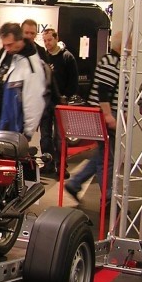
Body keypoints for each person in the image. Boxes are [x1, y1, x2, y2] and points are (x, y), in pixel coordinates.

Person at [65, 31, 127, 204]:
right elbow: (103, 90)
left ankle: (75, 183)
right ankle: (108, 197)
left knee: (103, 155)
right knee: (108, 157)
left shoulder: (114, 62)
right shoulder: (111, 62)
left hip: (107, 114)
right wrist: (108, 115)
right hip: (105, 115)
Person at [0, 22, 46, 138]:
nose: (7, 48)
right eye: (4, 45)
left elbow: (34, 101)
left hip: (11, 128)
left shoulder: (31, 64)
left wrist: (27, 133)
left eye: (10, 44)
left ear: (20, 40)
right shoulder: (5, 53)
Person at [40, 28, 79, 177]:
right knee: (45, 136)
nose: (47, 43)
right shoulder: (44, 57)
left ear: (56, 39)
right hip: (45, 101)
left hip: (60, 102)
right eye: (45, 41)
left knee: (60, 136)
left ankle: (61, 165)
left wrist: (66, 96)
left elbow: (73, 81)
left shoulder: (67, 57)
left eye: (49, 40)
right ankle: (48, 164)